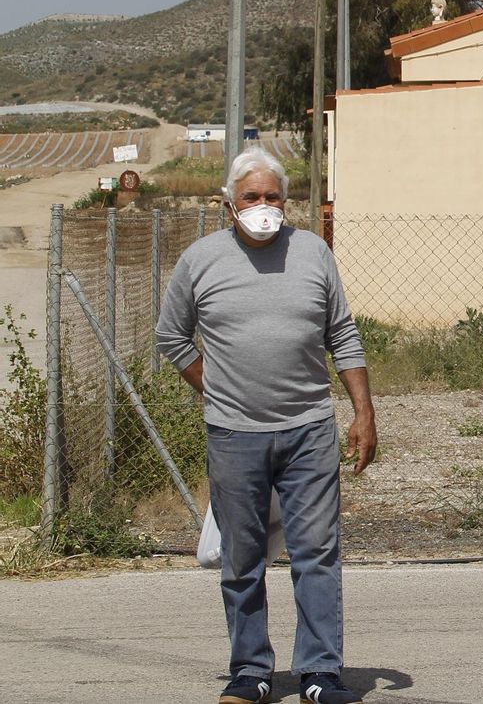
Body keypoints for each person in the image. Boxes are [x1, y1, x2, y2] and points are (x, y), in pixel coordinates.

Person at [156, 148, 375, 704]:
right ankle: (251, 671)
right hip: (234, 434)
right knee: (242, 559)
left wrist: (363, 412)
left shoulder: (314, 254)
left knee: (316, 554)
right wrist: (217, 387)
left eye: (271, 197)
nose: (261, 207)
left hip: (308, 430)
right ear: (229, 204)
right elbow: (172, 338)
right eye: (250, 197)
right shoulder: (200, 260)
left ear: (286, 201)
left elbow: (342, 335)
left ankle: (320, 674)